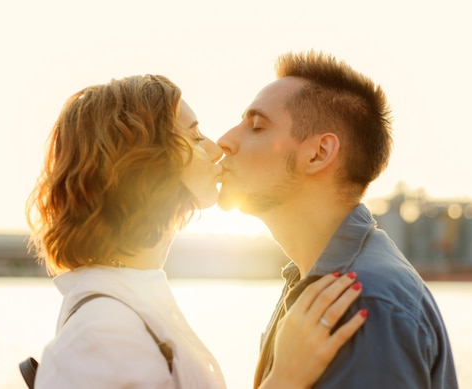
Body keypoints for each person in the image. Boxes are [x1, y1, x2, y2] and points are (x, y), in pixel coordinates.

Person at [25, 74, 368, 388]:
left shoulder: (130, 301)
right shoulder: (101, 334)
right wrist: (285, 377)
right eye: (193, 135)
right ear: (144, 161)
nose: (216, 148)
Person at [217, 51, 459, 388]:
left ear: (318, 154)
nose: (224, 141)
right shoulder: (317, 281)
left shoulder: (362, 304)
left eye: (257, 126)